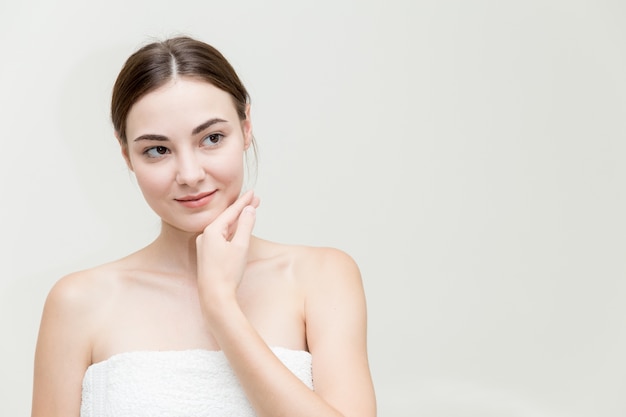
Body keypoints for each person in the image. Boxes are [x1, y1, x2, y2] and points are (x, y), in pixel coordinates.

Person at [31, 36, 376, 417]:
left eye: (211, 138)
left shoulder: (321, 277)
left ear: (246, 128)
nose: (190, 175)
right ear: (126, 153)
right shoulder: (79, 301)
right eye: (157, 150)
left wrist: (221, 308)